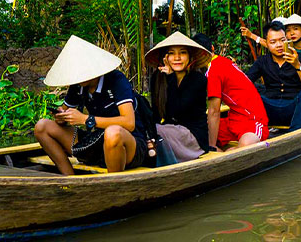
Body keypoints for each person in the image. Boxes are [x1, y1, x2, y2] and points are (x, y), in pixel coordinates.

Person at [34, 35, 147, 175]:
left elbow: (129, 123)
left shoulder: (116, 80)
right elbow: (63, 111)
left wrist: (86, 119)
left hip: (128, 145)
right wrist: (61, 117)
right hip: (96, 141)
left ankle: (113, 186)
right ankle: (71, 181)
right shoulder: (78, 85)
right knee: (42, 126)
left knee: (113, 133)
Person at [192, 33, 269, 151]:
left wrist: (211, 147)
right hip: (233, 119)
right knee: (199, 133)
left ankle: (222, 151)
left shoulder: (213, 70)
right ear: (212, 48)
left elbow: (214, 111)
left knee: (245, 145)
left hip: (253, 119)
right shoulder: (222, 61)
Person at [146, 32, 211, 162]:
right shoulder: (157, 79)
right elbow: (157, 114)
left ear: (190, 57)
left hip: (192, 136)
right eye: (171, 53)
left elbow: (177, 110)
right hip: (168, 131)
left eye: (182, 53)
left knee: (156, 131)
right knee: (147, 129)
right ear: (165, 57)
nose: (177, 58)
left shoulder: (197, 79)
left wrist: (171, 78)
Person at [245, 21, 301, 131]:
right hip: (269, 109)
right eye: (273, 42)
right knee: (248, 91)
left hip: (293, 109)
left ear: (287, 40)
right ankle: (257, 130)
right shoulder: (262, 61)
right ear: (267, 44)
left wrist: (297, 65)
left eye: (282, 40)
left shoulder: (300, 58)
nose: (278, 45)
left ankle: (294, 134)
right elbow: (244, 83)